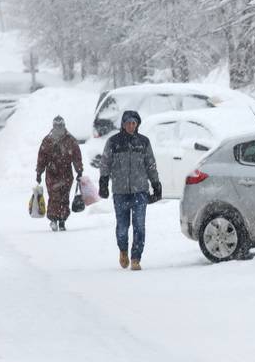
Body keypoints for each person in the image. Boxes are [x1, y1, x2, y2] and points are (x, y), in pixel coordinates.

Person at [98, 110, 161, 271]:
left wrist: (156, 184)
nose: (131, 126)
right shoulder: (114, 142)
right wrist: (103, 182)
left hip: (140, 191)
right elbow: (105, 163)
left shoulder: (144, 142)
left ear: (137, 124)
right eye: (128, 123)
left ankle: (136, 258)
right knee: (122, 227)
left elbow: (151, 164)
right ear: (123, 124)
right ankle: (123, 250)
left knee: (139, 226)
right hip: (120, 192)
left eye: (134, 123)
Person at [35, 116, 83, 231]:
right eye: (57, 126)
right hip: (52, 174)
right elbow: (42, 158)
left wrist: (79, 170)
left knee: (64, 197)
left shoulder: (70, 140)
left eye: (60, 126)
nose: (58, 128)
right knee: (54, 197)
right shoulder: (47, 140)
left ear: (64, 126)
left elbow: (76, 156)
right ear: (53, 126)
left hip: (66, 174)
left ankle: (62, 220)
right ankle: (53, 219)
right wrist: (39, 172)